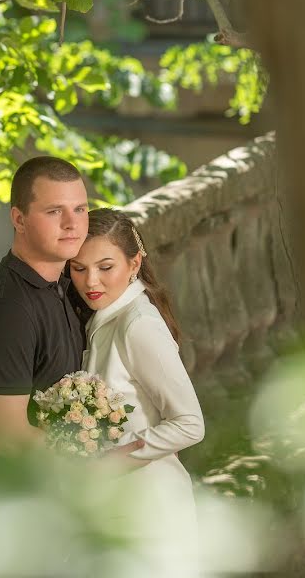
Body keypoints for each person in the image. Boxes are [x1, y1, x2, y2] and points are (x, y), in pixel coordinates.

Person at [0, 157, 144, 460]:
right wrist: (96, 467)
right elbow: (10, 440)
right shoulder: (7, 311)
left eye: (80, 209)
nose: (72, 224)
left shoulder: (70, 282)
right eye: (54, 211)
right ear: (19, 220)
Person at [68, 207, 205, 574]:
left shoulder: (137, 324)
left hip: (152, 513)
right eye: (78, 268)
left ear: (134, 263)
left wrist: (110, 463)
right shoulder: (104, 318)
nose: (91, 281)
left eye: (105, 267)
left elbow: (190, 423)